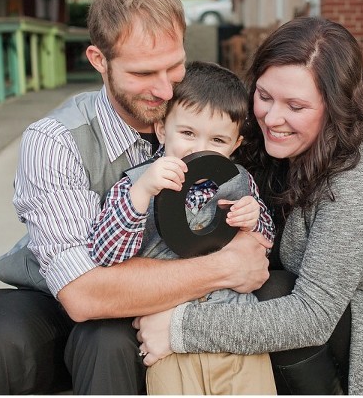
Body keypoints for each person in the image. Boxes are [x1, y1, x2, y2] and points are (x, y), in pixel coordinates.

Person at [0, 0, 271, 395]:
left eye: (174, 65)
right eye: (143, 72)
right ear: (99, 60)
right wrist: (225, 267)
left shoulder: (207, 121)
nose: (165, 88)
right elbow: (82, 295)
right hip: (54, 295)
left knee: (109, 341)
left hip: (159, 309)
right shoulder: (56, 140)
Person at [134, 17, 363, 395]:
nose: (272, 118)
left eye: (296, 106)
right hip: (289, 302)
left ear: (335, 106)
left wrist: (179, 328)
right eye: (264, 96)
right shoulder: (251, 137)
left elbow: (311, 316)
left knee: (274, 290)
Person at [89, 61, 277, 395]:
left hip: (235, 328)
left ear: (235, 145)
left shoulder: (238, 181)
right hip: (166, 334)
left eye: (217, 139)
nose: (200, 148)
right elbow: (104, 255)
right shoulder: (137, 182)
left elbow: (263, 245)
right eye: (187, 133)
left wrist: (254, 218)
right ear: (162, 129)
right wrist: (142, 193)